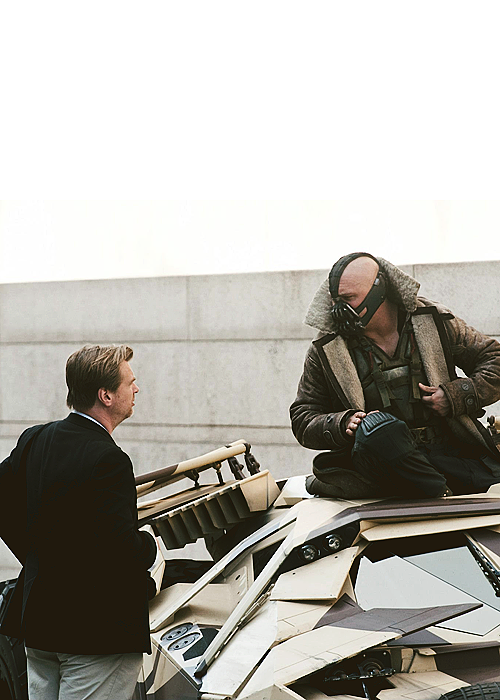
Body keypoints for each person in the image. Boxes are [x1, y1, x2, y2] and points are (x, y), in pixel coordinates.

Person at [0, 344, 157, 700]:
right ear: (106, 395)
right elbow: (122, 547)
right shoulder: (110, 459)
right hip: (97, 636)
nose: (136, 389)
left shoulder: (35, 438)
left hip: (40, 625)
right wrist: (151, 545)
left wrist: (35, 557)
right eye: (129, 382)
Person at [290, 253, 500, 499]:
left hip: (449, 453)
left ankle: (437, 488)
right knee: (378, 429)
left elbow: (494, 359)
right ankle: (437, 493)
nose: (339, 310)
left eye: (348, 299)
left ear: (378, 292)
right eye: (336, 301)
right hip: (377, 468)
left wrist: (455, 396)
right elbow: (303, 417)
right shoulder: (326, 348)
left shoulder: (433, 321)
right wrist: (343, 423)